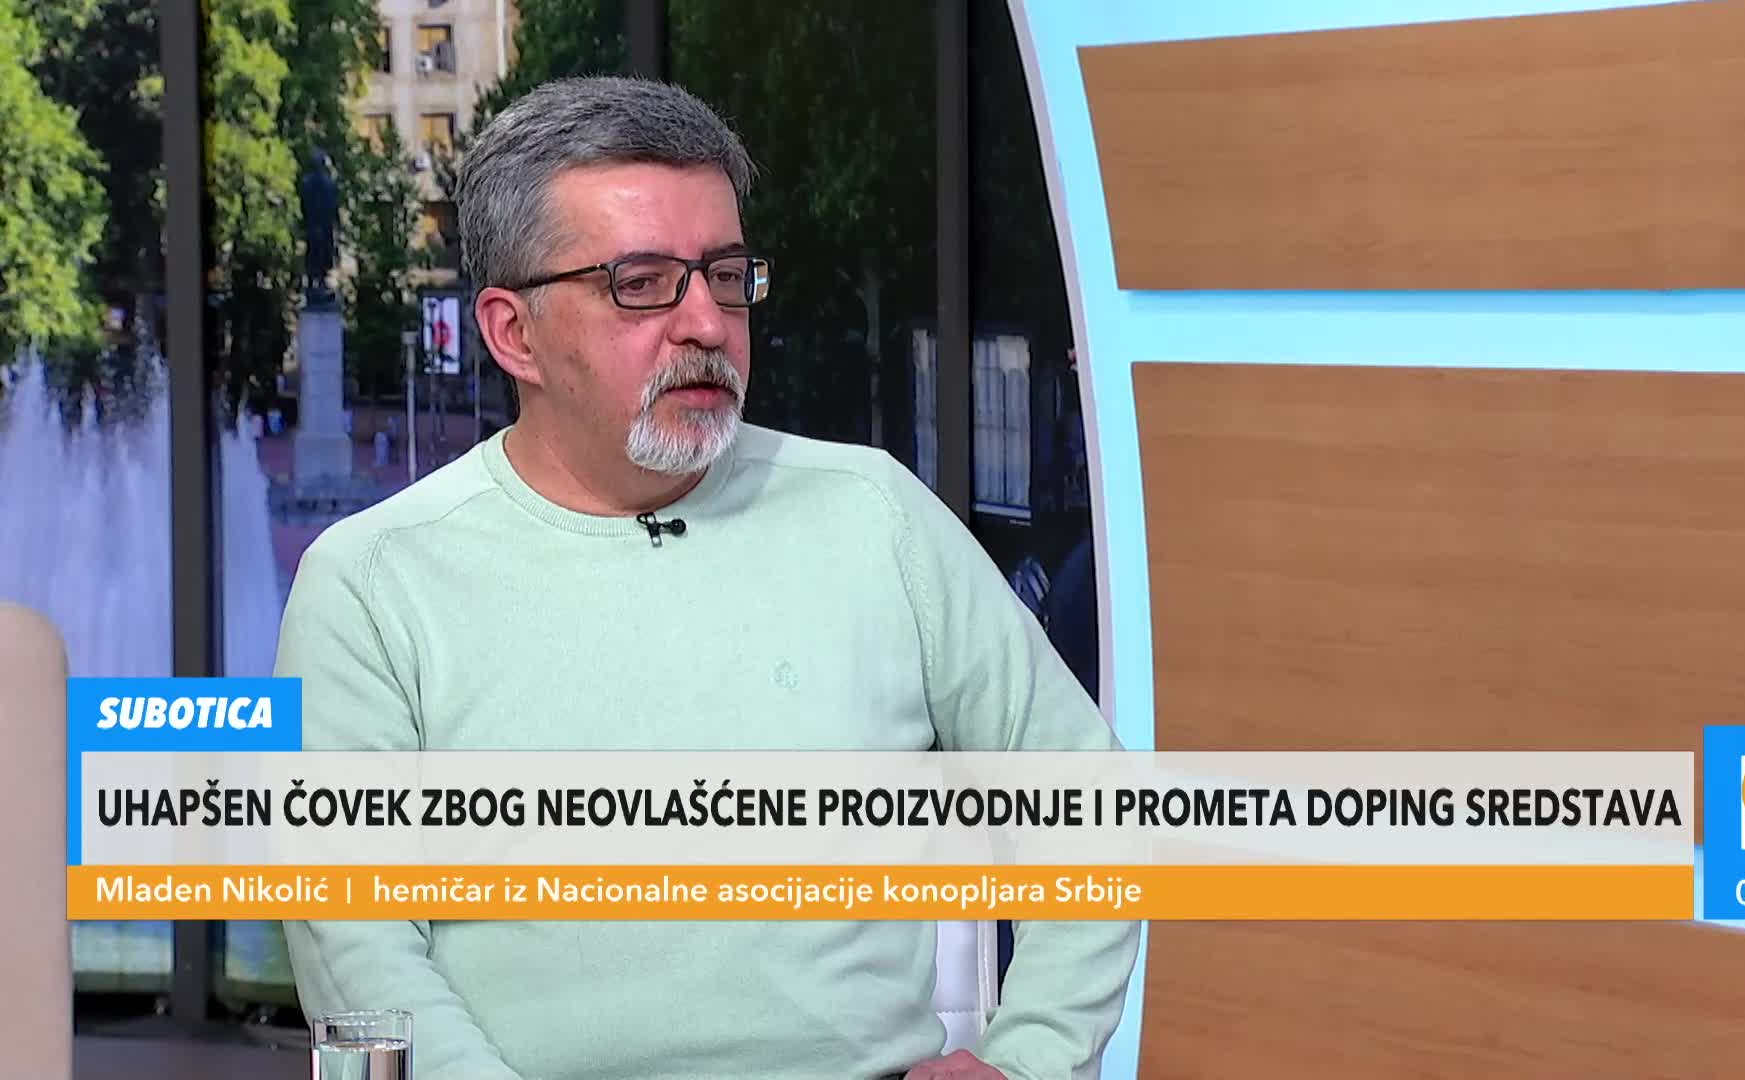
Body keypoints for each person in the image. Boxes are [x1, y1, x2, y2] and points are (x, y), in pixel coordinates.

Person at [274, 76, 1139, 1080]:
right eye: (641, 283)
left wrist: (1030, 1060)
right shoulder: (372, 585)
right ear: (514, 333)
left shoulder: (875, 513)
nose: (706, 323)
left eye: (725, 276)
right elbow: (360, 953)